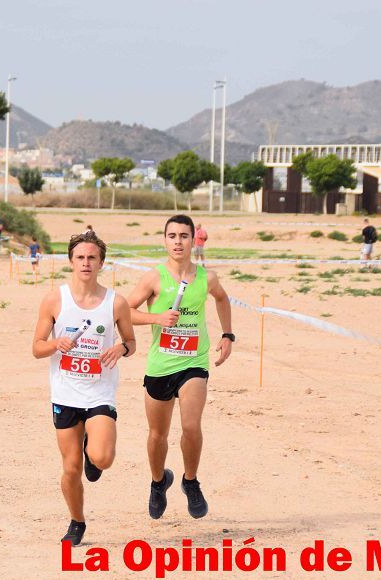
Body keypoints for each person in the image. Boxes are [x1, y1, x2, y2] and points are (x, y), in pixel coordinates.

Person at [31, 229, 136, 546]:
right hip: (65, 394)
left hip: (99, 393)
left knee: (102, 458)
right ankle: (77, 521)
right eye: (80, 257)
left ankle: (95, 454)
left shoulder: (115, 303)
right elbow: (36, 347)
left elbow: (131, 343)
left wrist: (120, 349)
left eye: (92, 257)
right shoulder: (54, 299)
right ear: (71, 261)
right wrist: (55, 344)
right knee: (71, 468)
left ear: (101, 262)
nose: (86, 263)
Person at [126, 214, 234, 521]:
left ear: (193, 240)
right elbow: (124, 311)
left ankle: (191, 481)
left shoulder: (206, 278)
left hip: (193, 363)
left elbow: (223, 299)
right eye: (172, 236)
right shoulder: (153, 278)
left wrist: (227, 335)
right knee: (157, 434)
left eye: (184, 236)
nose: (178, 242)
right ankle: (159, 483)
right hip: (161, 365)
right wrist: (156, 319)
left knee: (190, 426)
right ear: (164, 240)